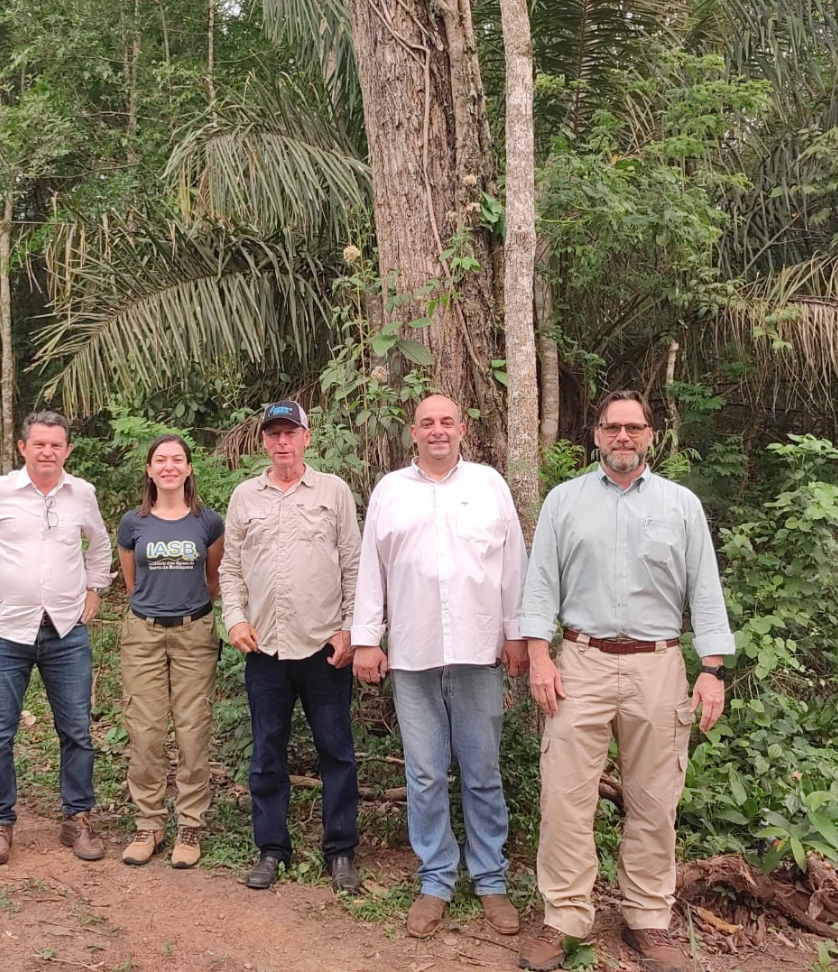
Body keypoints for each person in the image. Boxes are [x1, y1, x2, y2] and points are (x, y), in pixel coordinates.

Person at [517, 389, 735, 972]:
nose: (623, 437)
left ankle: (648, 919)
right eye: (613, 427)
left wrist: (712, 671)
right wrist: (540, 656)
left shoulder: (681, 505)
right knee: (565, 796)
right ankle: (563, 918)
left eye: (633, 428)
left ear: (649, 436)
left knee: (654, 799)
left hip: (658, 666)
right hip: (580, 663)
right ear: (595, 434)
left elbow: (706, 594)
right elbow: (539, 587)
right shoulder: (564, 502)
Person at [351, 394, 529, 939]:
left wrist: (516, 634)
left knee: (481, 771)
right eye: (427, 423)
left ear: (462, 428)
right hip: (412, 652)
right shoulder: (390, 491)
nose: (437, 431)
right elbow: (371, 571)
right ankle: (435, 880)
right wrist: (366, 640)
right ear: (413, 432)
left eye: (446, 421)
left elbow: (513, 562)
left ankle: (491, 880)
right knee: (424, 772)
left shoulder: (488, 485)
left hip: (479, 650)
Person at [0, 410, 113, 866]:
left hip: (66, 631)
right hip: (6, 631)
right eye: (39, 444)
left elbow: (100, 544)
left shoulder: (82, 494)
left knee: (76, 731)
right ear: (23, 447)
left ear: (68, 449)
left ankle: (77, 819)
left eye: (56, 445)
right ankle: (0, 824)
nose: (47, 452)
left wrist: (95, 588)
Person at [219, 400, 363, 894]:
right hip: (265, 650)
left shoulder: (333, 492)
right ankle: (271, 848)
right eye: (273, 434)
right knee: (267, 754)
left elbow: (354, 565)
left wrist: (350, 630)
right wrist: (234, 619)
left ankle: (341, 851)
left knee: (336, 752)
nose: (282, 442)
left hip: (325, 648)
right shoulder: (244, 497)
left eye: (290, 433)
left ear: (307, 437)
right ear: (263, 441)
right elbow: (231, 569)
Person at [116, 434, 224, 869]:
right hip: (143, 633)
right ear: (149, 470)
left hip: (194, 632)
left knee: (193, 730)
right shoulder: (133, 523)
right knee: (144, 731)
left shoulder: (207, 522)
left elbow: (213, 578)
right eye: (160, 459)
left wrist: (188, 611)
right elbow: (131, 583)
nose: (168, 466)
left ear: (188, 468)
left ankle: (191, 825)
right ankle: (149, 824)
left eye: (177, 459)